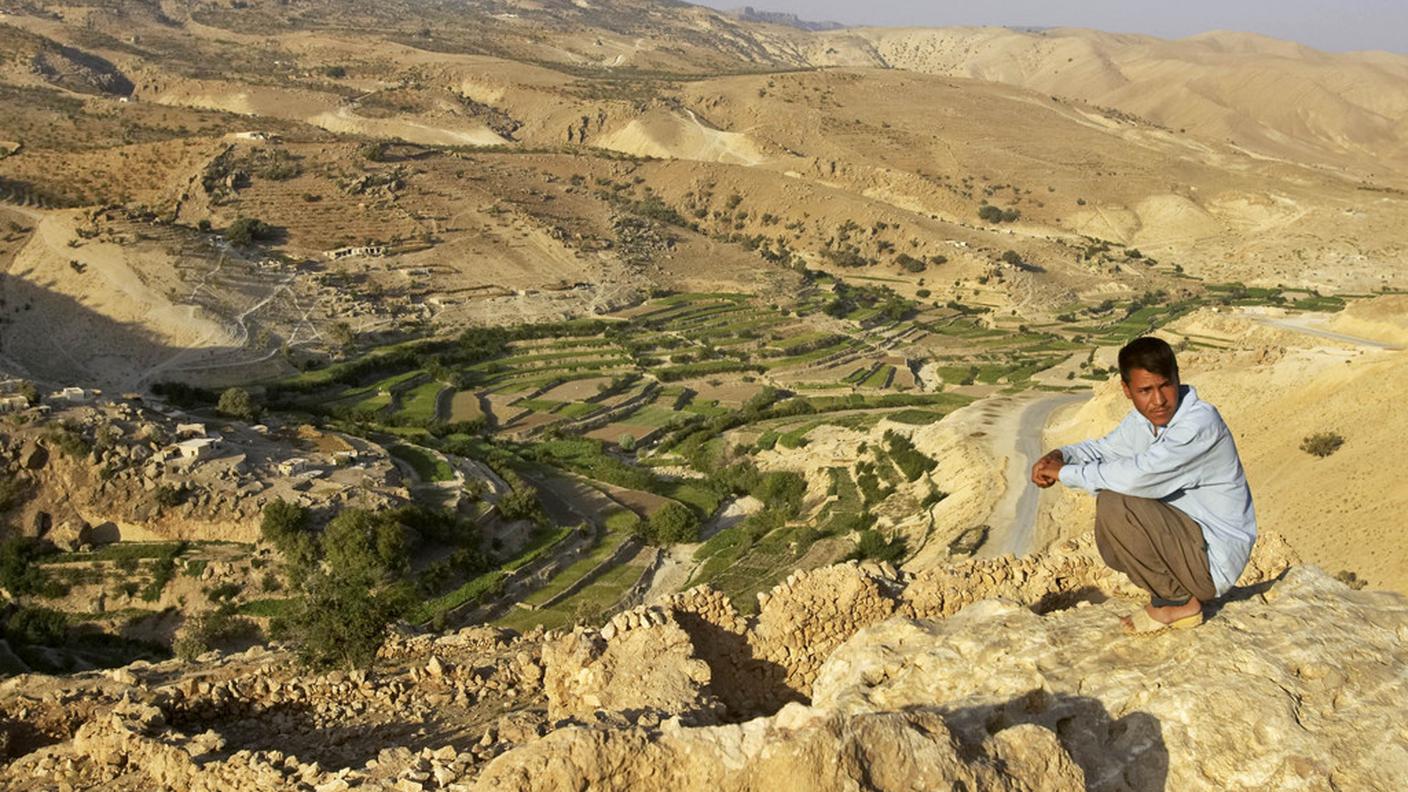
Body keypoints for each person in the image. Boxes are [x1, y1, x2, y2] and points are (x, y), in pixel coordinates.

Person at [1031, 336, 1256, 634]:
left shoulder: (1198, 424)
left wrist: (1065, 473)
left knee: (1117, 502)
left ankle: (1177, 603)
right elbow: (1106, 449)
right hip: (1189, 543)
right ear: (1127, 390)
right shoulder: (1144, 422)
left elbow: (1139, 476)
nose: (1159, 400)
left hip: (1212, 560)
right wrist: (1061, 456)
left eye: (1165, 385)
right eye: (1145, 391)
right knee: (1112, 526)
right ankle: (1171, 593)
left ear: (1177, 379)